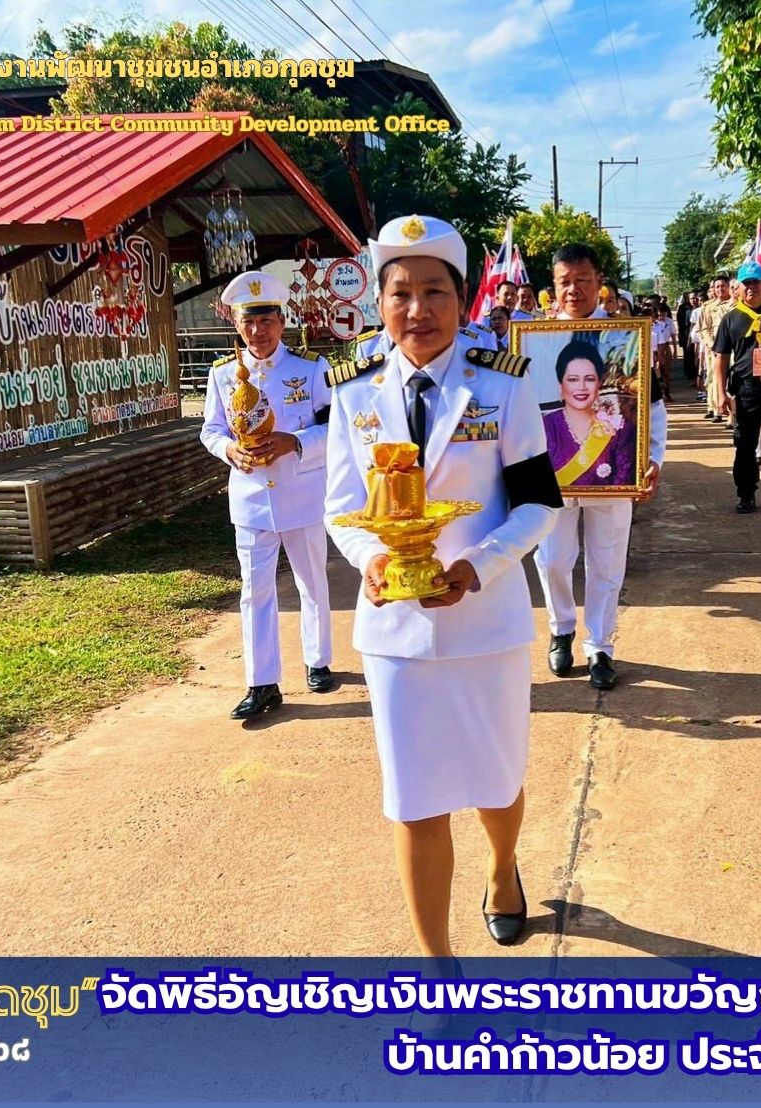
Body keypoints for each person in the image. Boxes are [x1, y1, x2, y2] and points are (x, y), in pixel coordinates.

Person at [323, 213, 563, 956]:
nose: (417, 311)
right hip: (395, 631)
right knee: (415, 801)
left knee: (495, 783)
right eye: (400, 293)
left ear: (463, 302)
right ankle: (438, 968)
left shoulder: (503, 387)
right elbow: (341, 508)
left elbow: (536, 503)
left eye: (434, 293)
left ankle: (501, 870)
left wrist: (476, 567)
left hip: (484, 625)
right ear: (380, 303)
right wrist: (369, 559)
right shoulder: (355, 393)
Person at [200, 271, 336, 721]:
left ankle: (317, 660)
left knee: (311, 581)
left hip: (301, 491)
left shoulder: (311, 369)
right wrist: (228, 450)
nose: (257, 331)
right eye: (248, 322)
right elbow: (212, 429)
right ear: (237, 324)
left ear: (281, 321)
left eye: (266, 321)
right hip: (252, 498)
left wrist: (294, 441)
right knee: (255, 591)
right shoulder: (222, 374)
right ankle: (262, 682)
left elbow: (336, 427)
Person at [533, 242, 666, 690]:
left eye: (582, 280)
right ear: (553, 287)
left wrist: (653, 458)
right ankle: (561, 627)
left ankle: (601, 646)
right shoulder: (534, 340)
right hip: (553, 473)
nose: (573, 290)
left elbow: (654, 403)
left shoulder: (626, 337)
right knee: (553, 559)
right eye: (564, 282)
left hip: (614, 469)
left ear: (598, 282)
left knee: (607, 562)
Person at [712, 262, 761, 514]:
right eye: (747, 283)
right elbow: (720, 357)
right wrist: (720, 392)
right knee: (745, 443)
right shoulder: (731, 318)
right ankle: (746, 494)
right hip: (746, 388)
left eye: (756, 282)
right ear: (739, 288)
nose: (752, 287)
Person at [543, 340, 637, 488]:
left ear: (599, 383)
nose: (581, 387)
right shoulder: (543, 427)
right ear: (560, 384)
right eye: (573, 380)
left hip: (608, 506)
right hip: (556, 507)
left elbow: (623, 480)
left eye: (589, 379)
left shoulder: (621, 429)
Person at [697, 274, 733, 421]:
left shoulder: (736, 304)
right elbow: (704, 329)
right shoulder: (708, 307)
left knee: (732, 379)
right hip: (715, 349)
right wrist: (713, 345)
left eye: (723, 286)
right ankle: (716, 409)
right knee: (714, 378)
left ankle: (732, 414)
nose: (720, 289)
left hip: (733, 348)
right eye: (717, 287)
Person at [652, 304, 676, 401]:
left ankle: (667, 393)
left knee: (665, 371)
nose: (661, 314)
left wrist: (674, 349)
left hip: (664, 347)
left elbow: (673, 335)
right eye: (659, 312)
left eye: (664, 312)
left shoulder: (669, 322)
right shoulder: (653, 323)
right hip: (653, 349)